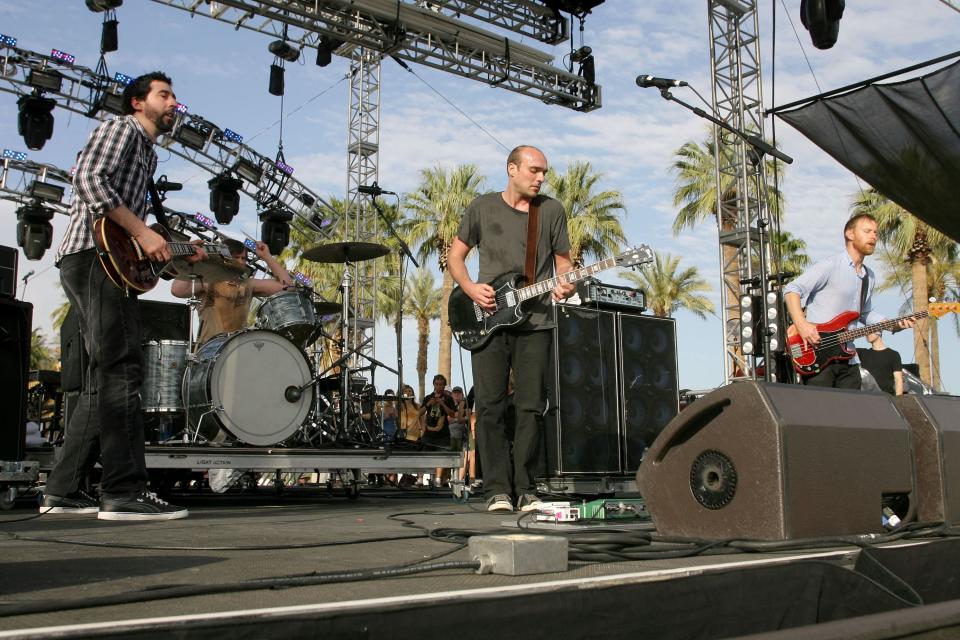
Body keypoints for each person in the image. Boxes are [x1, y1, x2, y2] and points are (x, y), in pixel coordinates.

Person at [43, 72, 204, 520]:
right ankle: (124, 492)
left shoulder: (146, 155)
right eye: (164, 95)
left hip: (102, 262)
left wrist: (176, 251)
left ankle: (62, 489)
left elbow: (137, 238)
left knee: (105, 378)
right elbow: (88, 179)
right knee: (123, 371)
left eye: (174, 95)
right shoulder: (122, 129)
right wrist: (142, 231)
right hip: (93, 259)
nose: (174, 102)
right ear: (138, 102)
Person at [447, 145, 576, 513]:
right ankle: (497, 490)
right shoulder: (482, 207)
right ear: (512, 169)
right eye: (534, 170)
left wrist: (566, 284)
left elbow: (564, 264)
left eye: (544, 172)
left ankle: (527, 488)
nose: (541, 178)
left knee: (531, 407)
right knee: (489, 406)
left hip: (536, 321)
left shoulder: (551, 211)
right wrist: (471, 288)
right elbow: (455, 256)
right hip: (486, 318)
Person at [784, 213, 913, 389]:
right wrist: (802, 325)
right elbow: (792, 290)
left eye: (876, 232)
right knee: (820, 413)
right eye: (867, 231)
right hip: (818, 355)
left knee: (851, 413)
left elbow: (864, 313)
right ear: (850, 234)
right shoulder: (830, 265)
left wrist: (893, 325)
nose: (874, 236)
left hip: (849, 359)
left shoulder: (869, 276)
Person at [171, 238, 293, 345]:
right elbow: (177, 290)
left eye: (244, 258)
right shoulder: (207, 281)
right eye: (236, 257)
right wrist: (191, 260)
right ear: (224, 258)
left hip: (238, 349)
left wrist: (266, 256)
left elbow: (287, 287)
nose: (240, 262)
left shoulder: (248, 284)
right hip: (209, 349)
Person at [420, 374, 457, 487]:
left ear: (444, 386)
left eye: (441, 384)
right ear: (433, 385)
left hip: (443, 434)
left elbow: (452, 414)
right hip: (428, 434)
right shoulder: (428, 397)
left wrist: (443, 404)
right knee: (424, 456)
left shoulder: (448, 398)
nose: (438, 386)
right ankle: (421, 479)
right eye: (436, 384)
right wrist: (428, 404)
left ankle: (438, 479)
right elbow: (419, 413)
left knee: (441, 457)